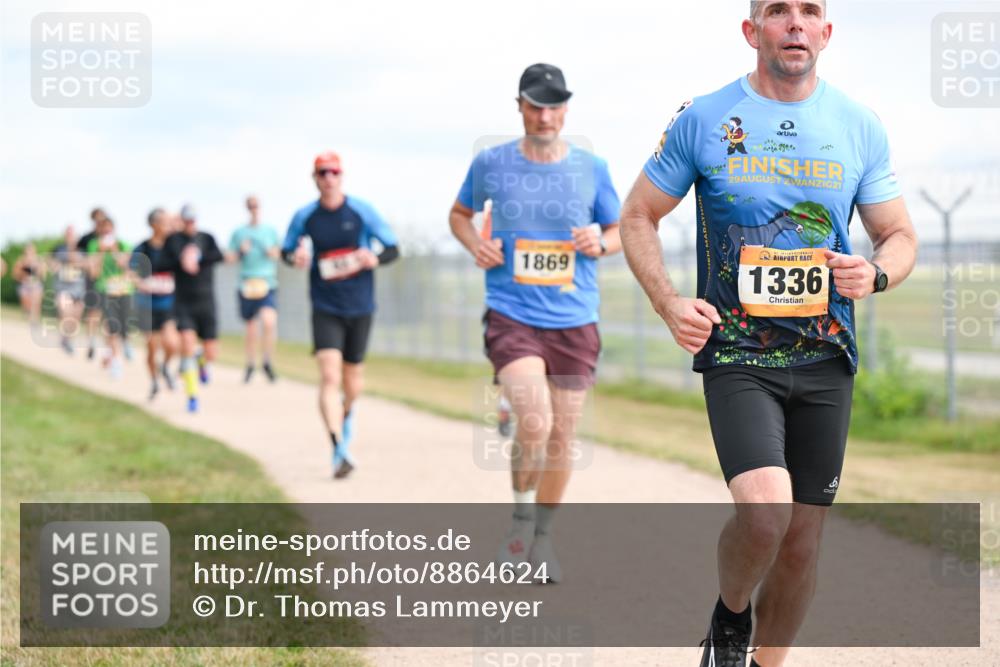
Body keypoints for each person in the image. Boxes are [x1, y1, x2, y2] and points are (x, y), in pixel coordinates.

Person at [618, 2, 918, 665]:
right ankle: (729, 620)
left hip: (825, 355)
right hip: (737, 352)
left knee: (803, 542)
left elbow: (898, 235)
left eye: (809, 11)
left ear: (826, 33)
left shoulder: (858, 125)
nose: (794, 23)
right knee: (765, 515)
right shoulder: (704, 119)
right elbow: (637, 214)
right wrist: (669, 303)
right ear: (752, 31)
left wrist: (877, 273)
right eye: (778, 11)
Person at [448, 63, 622, 582]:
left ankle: (543, 539)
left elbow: (616, 230)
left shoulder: (593, 168)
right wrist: (475, 242)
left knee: (562, 438)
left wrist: (601, 242)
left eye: (554, 105)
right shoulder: (491, 163)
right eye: (535, 105)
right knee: (534, 422)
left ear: (566, 109)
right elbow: (459, 214)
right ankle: (520, 525)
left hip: (574, 319)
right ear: (519, 106)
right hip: (513, 315)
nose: (545, 115)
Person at [282, 151, 399, 479]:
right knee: (329, 377)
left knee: (352, 383)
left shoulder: (361, 211)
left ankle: (346, 417)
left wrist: (372, 258)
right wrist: (297, 258)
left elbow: (392, 249)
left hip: (360, 305)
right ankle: (338, 448)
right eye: (322, 173)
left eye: (333, 172)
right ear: (314, 178)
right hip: (325, 306)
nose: (328, 178)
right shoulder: (305, 216)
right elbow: (287, 252)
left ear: (341, 176)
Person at [162, 204, 224, 412]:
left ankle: (202, 361)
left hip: (206, 301)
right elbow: (162, 263)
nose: (190, 224)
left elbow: (218, 256)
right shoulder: (173, 241)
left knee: (211, 352)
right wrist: (181, 261)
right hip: (183, 301)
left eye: (192, 220)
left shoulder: (207, 238)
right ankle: (192, 395)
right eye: (186, 220)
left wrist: (199, 258)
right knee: (187, 345)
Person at [226, 195, 280, 383]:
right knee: (251, 328)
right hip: (247, 283)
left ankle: (267, 361)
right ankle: (250, 363)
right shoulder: (239, 232)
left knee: (269, 321)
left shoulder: (270, 231)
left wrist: (269, 250)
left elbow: (278, 253)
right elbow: (229, 258)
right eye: (250, 206)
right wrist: (241, 251)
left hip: (266, 282)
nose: (253, 209)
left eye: (256, 205)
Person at [132, 208, 179, 400]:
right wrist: (141, 282)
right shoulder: (142, 248)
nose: (168, 226)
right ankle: (153, 381)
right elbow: (131, 272)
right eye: (164, 222)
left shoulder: (173, 247)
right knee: (152, 347)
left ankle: (166, 366)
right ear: (154, 225)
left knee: (172, 344)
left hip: (168, 303)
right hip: (147, 304)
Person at [86, 216, 133, 379]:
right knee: (111, 325)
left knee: (123, 325)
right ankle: (116, 361)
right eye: (103, 228)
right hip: (105, 289)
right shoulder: (94, 246)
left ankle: (124, 344)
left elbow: (127, 267)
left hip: (123, 289)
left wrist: (113, 251)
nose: (107, 231)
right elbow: (94, 273)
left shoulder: (123, 244)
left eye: (109, 228)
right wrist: (100, 252)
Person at [77, 207, 109, 360]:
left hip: (109, 280)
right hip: (92, 280)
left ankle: (109, 346)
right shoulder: (86, 239)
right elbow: (77, 259)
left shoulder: (112, 239)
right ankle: (91, 340)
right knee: (93, 312)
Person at [51, 226, 87, 354]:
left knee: (76, 317)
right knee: (66, 312)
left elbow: (85, 264)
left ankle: (67, 339)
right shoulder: (58, 249)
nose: (71, 236)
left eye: (73, 234)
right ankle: (64, 337)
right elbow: (52, 264)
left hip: (78, 288)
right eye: (69, 234)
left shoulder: (82, 250)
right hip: (63, 288)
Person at [13, 243, 45, 329]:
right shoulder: (21, 261)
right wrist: (24, 270)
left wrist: (37, 268)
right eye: (28, 251)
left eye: (31, 251)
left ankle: (35, 322)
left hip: (36, 285)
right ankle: (28, 317)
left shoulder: (39, 260)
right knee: (27, 306)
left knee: (36, 303)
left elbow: (43, 275)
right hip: (25, 285)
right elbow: (15, 275)